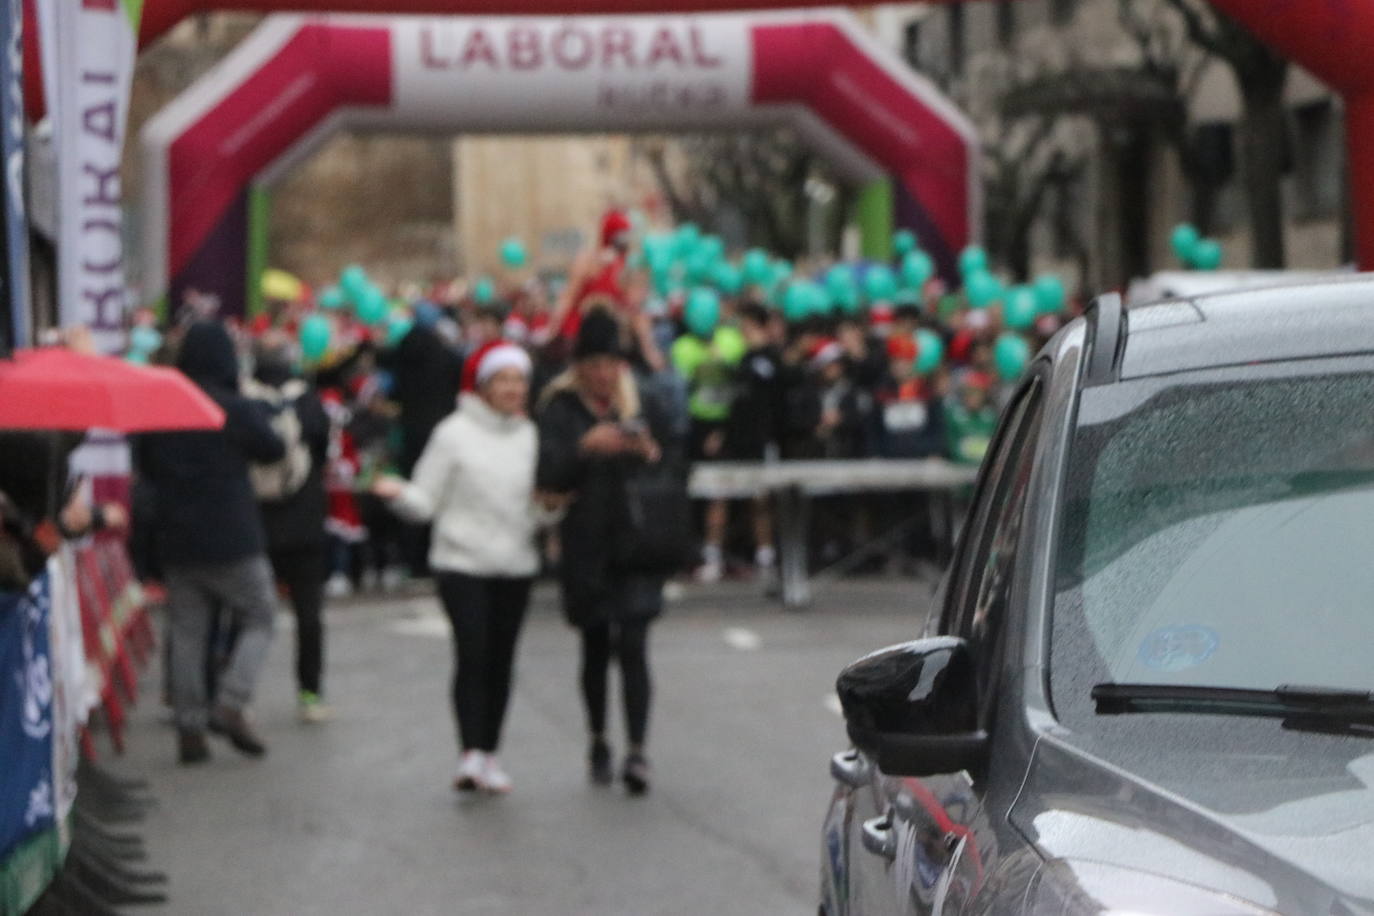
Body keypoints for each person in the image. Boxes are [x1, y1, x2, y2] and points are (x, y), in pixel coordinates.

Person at [372, 340, 542, 795]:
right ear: (484, 386)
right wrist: (398, 495)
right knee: (473, 653)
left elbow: (540, 507)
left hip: (516, 563)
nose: (512, 389)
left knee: (502, 661)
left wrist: (553, 509)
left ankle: (491, 754)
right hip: (461, 561)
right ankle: (469, 753)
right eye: (503, 380)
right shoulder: (454, 432)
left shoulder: (531, 436)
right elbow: (426, 499)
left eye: (518, 380)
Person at [536, 309, 672, 796]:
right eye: (592, 364)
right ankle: (598, 738)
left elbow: (673, 460)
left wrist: (647, 451)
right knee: (595, 645)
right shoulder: (559, 407)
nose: (602, 374)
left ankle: (637, 749)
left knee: (634, 645)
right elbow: (546, 473)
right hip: (585, 544)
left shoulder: (641, 399)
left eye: (609, 363)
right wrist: (584, 448)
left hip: (636, 543)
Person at [138, 321, 285, 764]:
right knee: (262, 614)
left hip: (177, 536)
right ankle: (232, 701)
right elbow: (273, 449)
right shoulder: (234, 408)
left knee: (186, 633)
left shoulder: (165, 409)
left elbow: (143, 464)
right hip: (232, 535)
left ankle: (189, 729)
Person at [245, 332, 333, 723]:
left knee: (246, 614)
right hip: (305, 522)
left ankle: (239, 696)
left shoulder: (243, 403)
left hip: (255, 522)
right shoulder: (310, 401)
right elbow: (324, 451)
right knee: (309, 614)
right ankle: (309, 693)